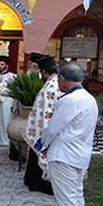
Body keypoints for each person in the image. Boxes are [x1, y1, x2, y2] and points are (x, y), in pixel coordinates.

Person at [39, 62, 98, 206]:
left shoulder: (69, 100)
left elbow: (54, 127)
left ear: (63, 80)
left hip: (64, 154)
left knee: (66, 198)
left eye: (59, 81)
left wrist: (44, 144)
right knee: (76, 196)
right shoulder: (89, 98)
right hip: (80, 153)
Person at [23, 55, 61, 195]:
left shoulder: (51, 87)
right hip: (45, 127)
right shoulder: (57, 83)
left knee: (39, 153)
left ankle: (38, 183)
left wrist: (44, 131)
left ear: (45, 72)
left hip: (43, 128)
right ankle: (32, 180)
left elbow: (46, 110)